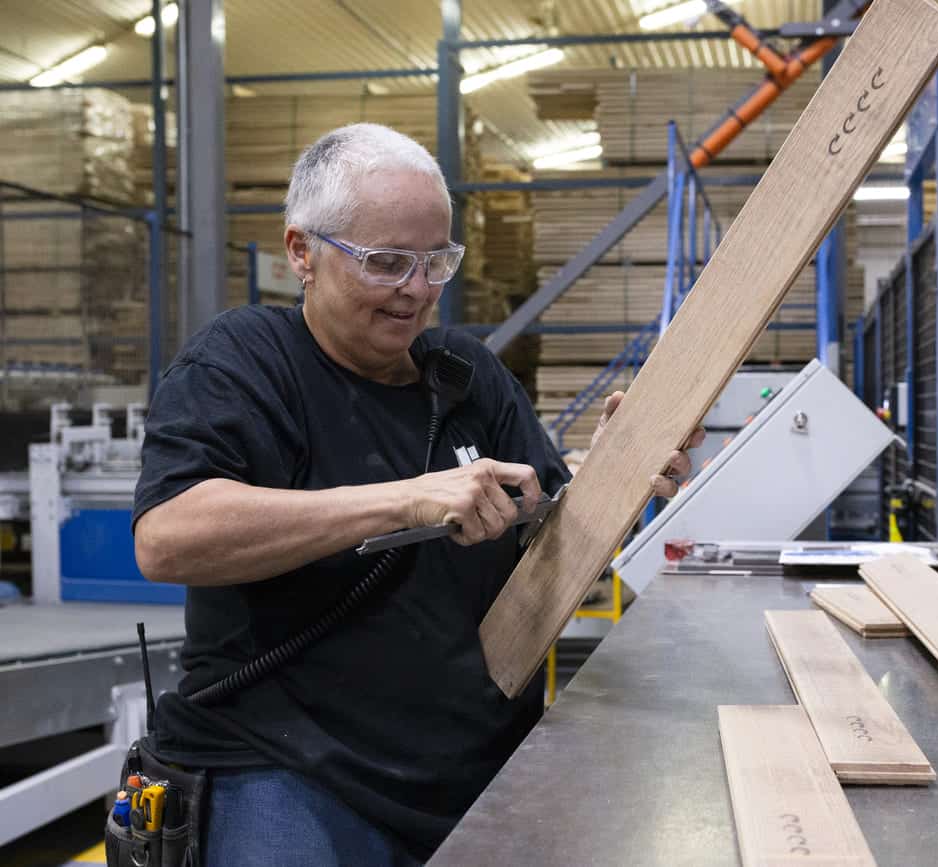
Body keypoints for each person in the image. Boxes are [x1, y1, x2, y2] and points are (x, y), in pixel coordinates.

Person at [132, 123, 701, 865]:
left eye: (436, 261)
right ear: (301, 252)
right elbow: (168, 536)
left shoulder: (464, 374)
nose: (418, 289)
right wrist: (406, 499)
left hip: (465, 760)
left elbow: (545, 535)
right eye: (387, 262)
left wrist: (617, 480)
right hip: (284, 765)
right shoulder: (244, 362)